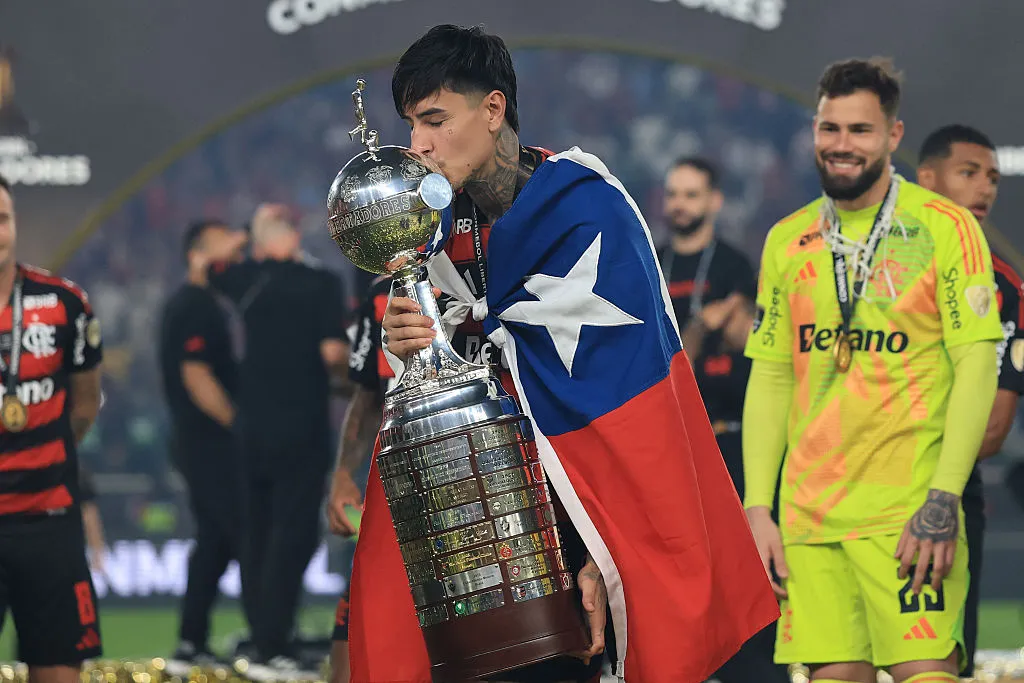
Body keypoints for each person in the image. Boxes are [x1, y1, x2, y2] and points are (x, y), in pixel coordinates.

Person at [346, 24, 778, 683]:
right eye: (411, 124)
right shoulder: (433, 233)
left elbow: (630, 416)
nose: (419, 145)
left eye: (435, 120)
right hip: (481, 525)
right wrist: (412, 345)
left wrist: (599, 555)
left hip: (580, 523)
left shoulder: (587, 211)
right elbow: (444, 383)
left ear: (492, 111)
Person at [743, 58, 1003, 683]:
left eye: (859, 130)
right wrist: (757, 507)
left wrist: (942, 500)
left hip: (909, 514)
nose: (841, 145)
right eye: (829, 128)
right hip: (810, 522)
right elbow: (773, 376)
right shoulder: (788, 239)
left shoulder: (946, 228)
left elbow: (976, 367)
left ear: (892, 135)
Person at [197, 204, 350, 678]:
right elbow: (333, 354)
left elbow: (207, 264)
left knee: (257, 536)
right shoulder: (322, 283)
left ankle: (265, 639)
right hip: (302, 426)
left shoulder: (244, 277)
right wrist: (348, 382)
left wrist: (248, 234)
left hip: (252, 427)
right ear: (297, 233)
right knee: (294, 536)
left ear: (262, 239)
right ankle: (273, 644)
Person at [658, 158, 787, 683]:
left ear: (715, 201)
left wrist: (727, 325)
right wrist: (703, 322)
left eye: (691, 194)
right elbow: (670, 362)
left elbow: (760, 355)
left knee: (747, 587)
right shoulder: (651, 264)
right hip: (673, 451)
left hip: (732, 445)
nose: (679, 204)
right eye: (673, 194)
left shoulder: (737, 267)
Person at [915, 124, 1024, 678]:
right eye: (969, 173)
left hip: (948, 495)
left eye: (993, 178)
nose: (985, 188)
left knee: (945, 661)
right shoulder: (871, 271)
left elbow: (994, 427)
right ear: (926, 180)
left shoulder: (1006, 288)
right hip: (842, 494)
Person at [0, 173, 104, 681]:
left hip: (49, 521)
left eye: (2, 218)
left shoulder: (65, 303)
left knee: (59, 667)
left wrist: (46, 455)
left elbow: (85, 405)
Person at [158, 219, 250, 666]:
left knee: (216, 539)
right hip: (206, 441)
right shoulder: (194, 306)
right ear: (198, 254)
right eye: (222, 248)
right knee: (241, 532)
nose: (232, 257)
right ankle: (266, 638)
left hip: (203, 440)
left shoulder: (200, 303)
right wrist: (239, 425)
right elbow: (197, 377)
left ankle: (190, 642)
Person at [326, 274, 394, 683]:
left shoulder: (495, 267)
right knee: (347, 661)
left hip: (488, 484)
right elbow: (366, 394)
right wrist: (342, 474)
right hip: (395, 487)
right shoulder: (383, 294)